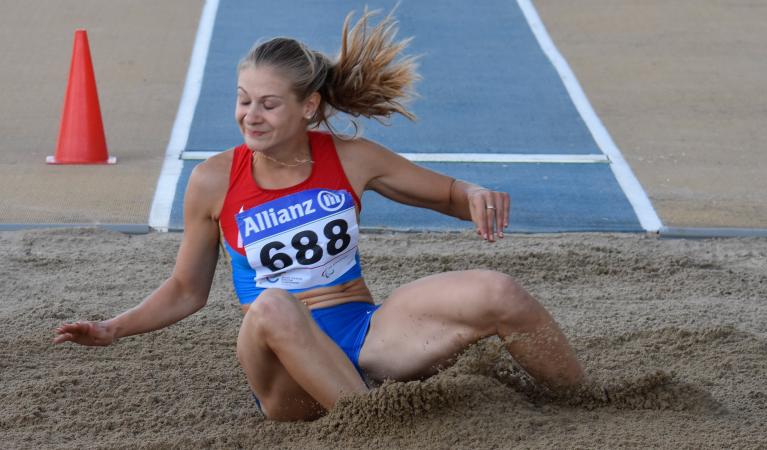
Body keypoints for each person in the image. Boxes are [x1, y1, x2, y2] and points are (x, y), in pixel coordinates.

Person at [53, 10, 584, 421]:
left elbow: (445, 193)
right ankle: (372, 423)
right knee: (273, 305)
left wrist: (473, 193)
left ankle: (585, 402)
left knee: (497, 291)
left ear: (307, 107)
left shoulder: (349, 159)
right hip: (285, 373)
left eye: (268, 104)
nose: (250, 116)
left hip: (367, 336)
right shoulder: (215, 180)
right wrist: (112, 328)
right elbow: (187, 291)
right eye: (243, 101)